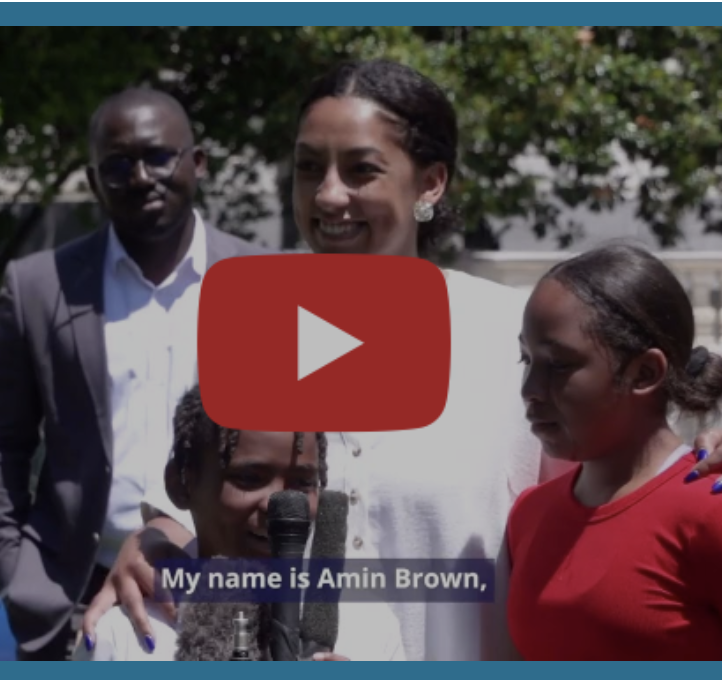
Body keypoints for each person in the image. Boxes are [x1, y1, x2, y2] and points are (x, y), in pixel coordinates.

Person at [81, 59, 722, 661]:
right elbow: (194, 488)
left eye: (361, 170)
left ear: (430, 183)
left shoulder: (518, 340)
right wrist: (156, 536)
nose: (329, 196)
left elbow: (644, 467)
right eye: (309, 168)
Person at [0, 87, 270, 661]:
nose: (140, 176)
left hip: (229, 594)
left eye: (159, 157)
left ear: (197, 162)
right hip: (75, 597)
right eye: (117, 164)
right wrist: (19, 579)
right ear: (93, 177)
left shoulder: (266, 280)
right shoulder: (39, 287)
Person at [72, 386, 405, 661]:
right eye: (248, 478)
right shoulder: (127, 635)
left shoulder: (371, 628)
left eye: (303, 483)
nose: (281, 505)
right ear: (180, 484)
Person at [508, 243, 722, 660]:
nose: (529, 390)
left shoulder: (709, 510)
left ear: (644, 373)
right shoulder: (529, 516)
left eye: (559, 365)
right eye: (526, 359)